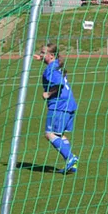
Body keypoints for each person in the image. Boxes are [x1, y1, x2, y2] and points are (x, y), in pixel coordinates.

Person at [32, 43, 79, 174]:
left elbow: (59, 84)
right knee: (59, 135)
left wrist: (48, 94)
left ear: (51, 55)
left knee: (49, 134)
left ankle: (71, 158)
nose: (40, 54)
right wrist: (42, 58)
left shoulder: (51, 69)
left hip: (59, 105)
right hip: (69, 104)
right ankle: (72, 165)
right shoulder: (56, 65)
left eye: (43, 53)